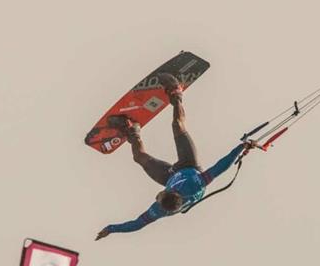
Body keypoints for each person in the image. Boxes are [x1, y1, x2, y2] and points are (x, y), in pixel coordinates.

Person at [95, 74, 255, 240]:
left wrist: (110, 229)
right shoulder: (194, 185)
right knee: (177, 125)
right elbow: (220, 167)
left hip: (171, 175)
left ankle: (130, 130)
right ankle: (176, 93)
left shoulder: (159, 210)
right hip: (190, 165)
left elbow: (137, 224)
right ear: (172, 191)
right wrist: (241, 147)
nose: (155, 198)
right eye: (160, 196)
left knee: (139, 157)